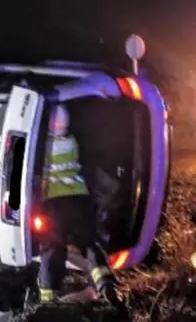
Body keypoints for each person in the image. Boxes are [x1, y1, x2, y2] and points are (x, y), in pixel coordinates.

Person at [37, 104, 121, 306]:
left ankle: (48, 300)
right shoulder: (72, 142)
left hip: (54, 203)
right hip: (79, 200)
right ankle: (106, 284)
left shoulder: (44, 146)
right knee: (89, 244)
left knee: (52, 250)